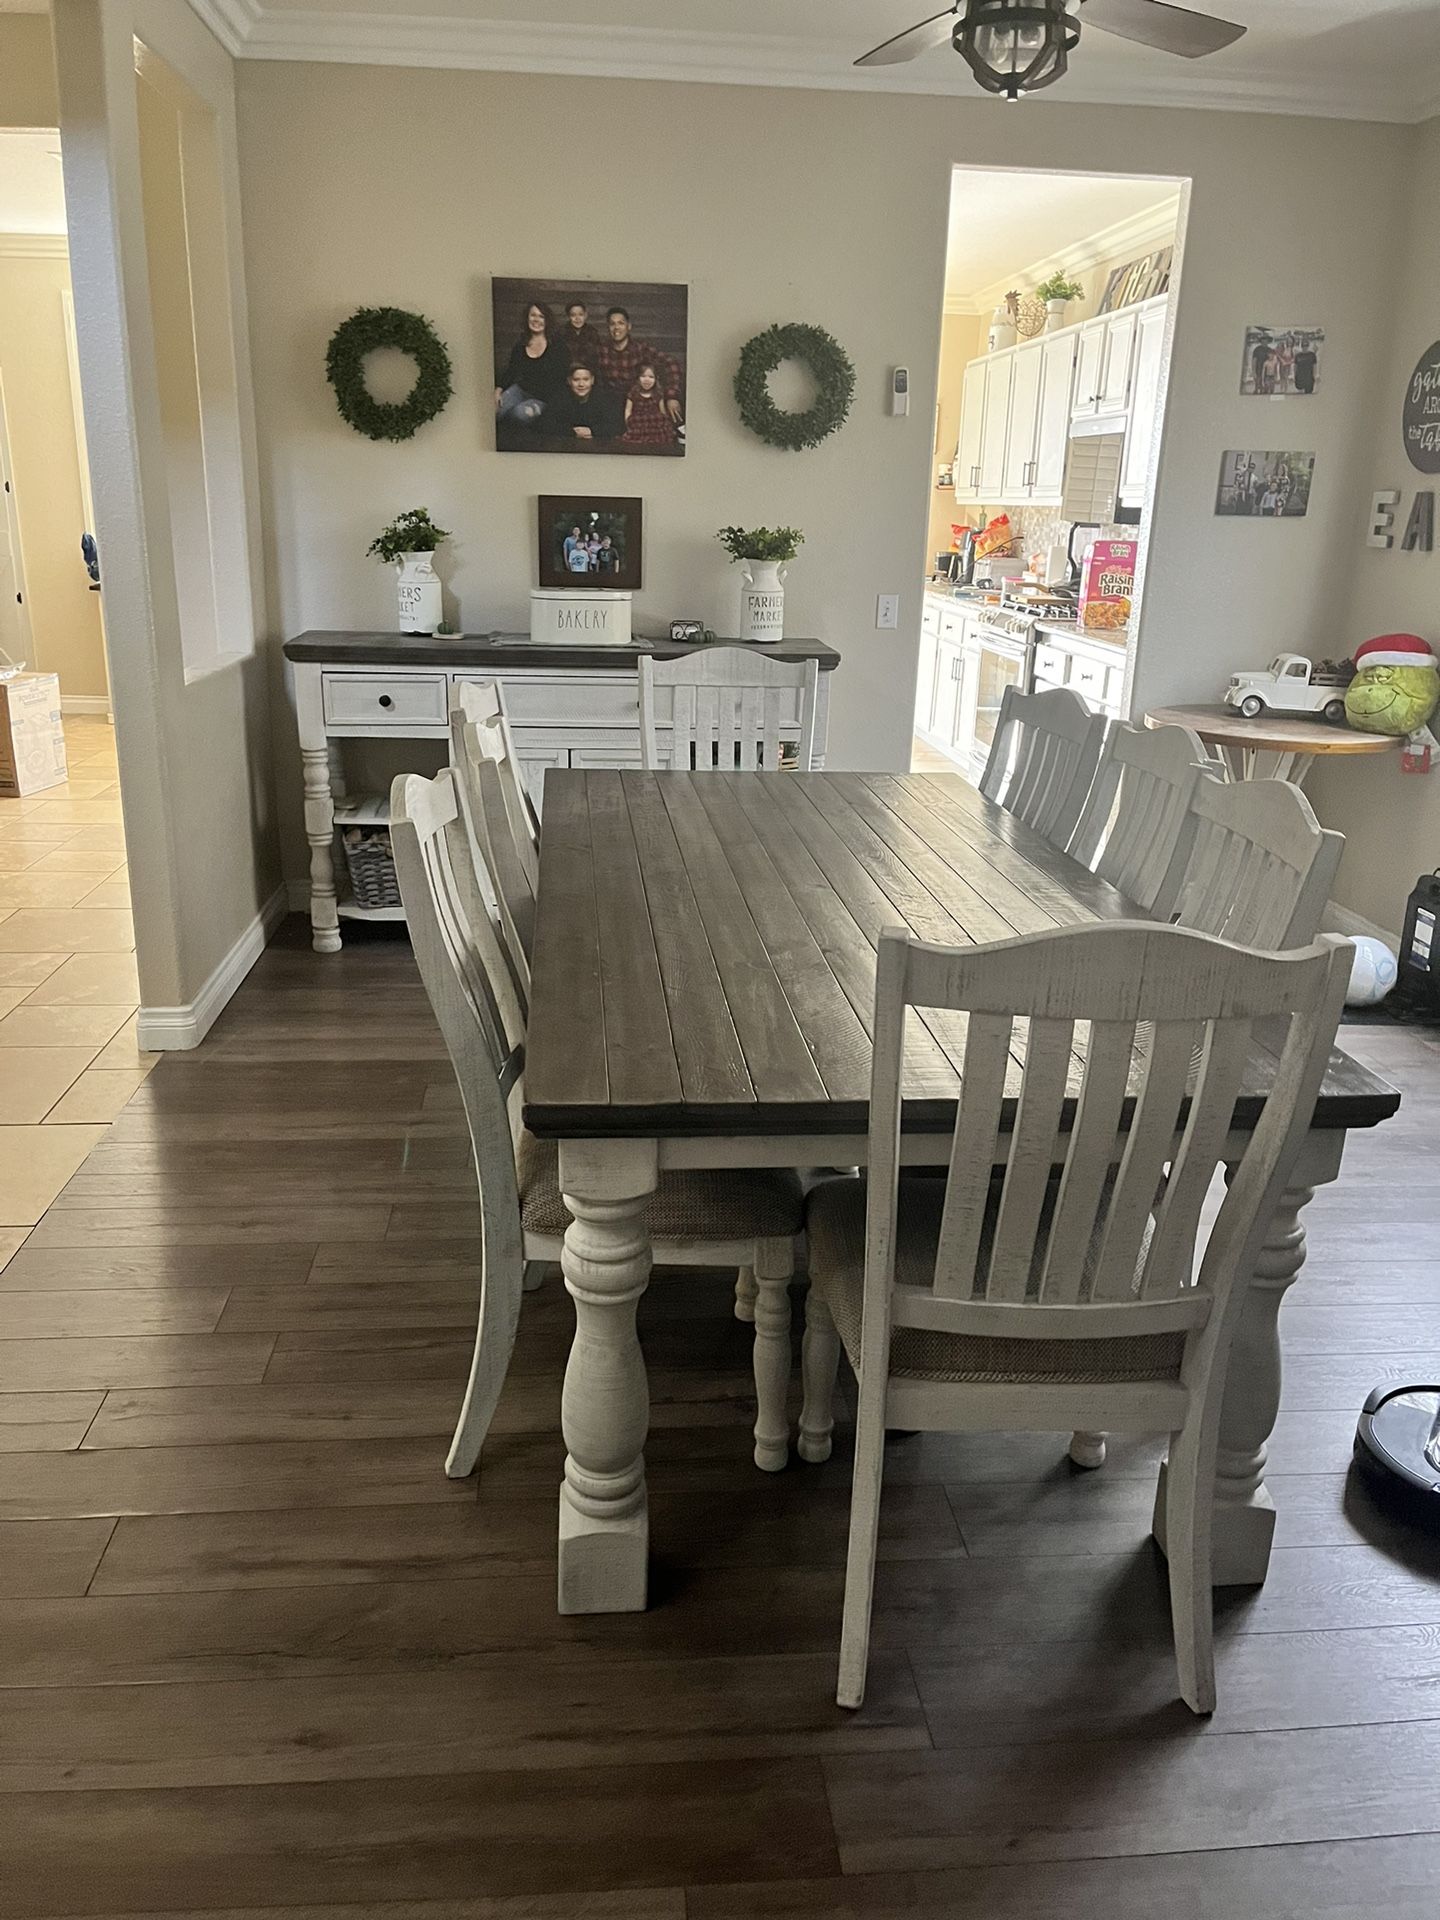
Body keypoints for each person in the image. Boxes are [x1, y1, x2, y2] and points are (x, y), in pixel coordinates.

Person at [595, 307, 683, 426]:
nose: (616, 328)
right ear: (608, 327)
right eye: (612, 324)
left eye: (621, 323)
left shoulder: (640, 348)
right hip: (611, 403)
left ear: (628, 326)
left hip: (637, 403)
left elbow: (671, 363)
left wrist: (672, 396)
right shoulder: (601, 349)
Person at [494, 300, 566, 423]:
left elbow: (561, 379)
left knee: (519, 415)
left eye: (541, 316)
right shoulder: (520, 345)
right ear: (527, 318)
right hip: (522, 390)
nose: (536, 320)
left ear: (547, 321)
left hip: (544, 399)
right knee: (495, 410)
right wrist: (498, 390)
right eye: (533, 315)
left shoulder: (558, 346)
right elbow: (511, 371)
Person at [548, 363, 623, 442]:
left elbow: (616, 426)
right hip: (566, 446)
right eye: (576, 380)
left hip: (598, 447)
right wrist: (572, 432)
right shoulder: (560, 399)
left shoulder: (604, 399)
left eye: (586, 379)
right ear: (569, 381)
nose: (581, 384)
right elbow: (546, 424)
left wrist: (592, 431)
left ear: (592, 380)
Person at [621, 363, 677, 447]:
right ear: (638, 378)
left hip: (654, 425)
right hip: (639, 425)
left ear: (656, 379)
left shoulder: (658, 394)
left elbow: (662, 411)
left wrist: (666, 425)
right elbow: (628, 410)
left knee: (658, 418)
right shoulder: (633, 393)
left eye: (651, 377)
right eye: (643, 376)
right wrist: (628, 423)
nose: (647, 380)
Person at [562, 300, 604, 366]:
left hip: (587, 371)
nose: (577, 318)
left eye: (581, 314)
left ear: (585, 315)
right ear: (568, 316)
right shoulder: (561, 333)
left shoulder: (592, 333)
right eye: (573, 315)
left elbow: (597, 356)